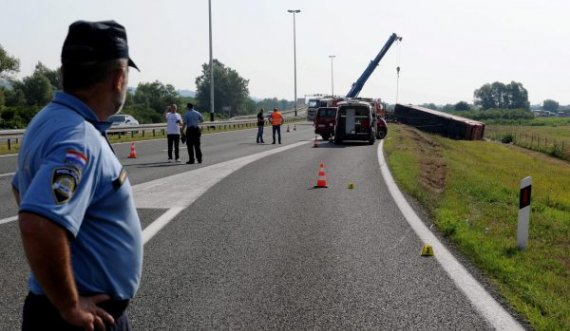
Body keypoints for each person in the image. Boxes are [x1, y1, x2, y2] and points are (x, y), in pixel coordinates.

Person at [11, 20, 142, 331]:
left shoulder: (47, 120)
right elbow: (37, 222)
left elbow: (21, 189)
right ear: (118, 77)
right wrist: (70, 305)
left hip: (56, 309)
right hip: (80, 319)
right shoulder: (78, 138)